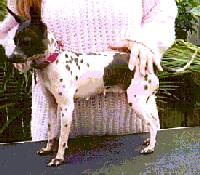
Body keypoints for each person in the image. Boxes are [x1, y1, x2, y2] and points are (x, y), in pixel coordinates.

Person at [0, 0, 177, 141]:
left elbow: (160, 11)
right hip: (53, 138)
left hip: (132, 135)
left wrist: (146, 41)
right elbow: (12, 27)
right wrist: (19, 51)